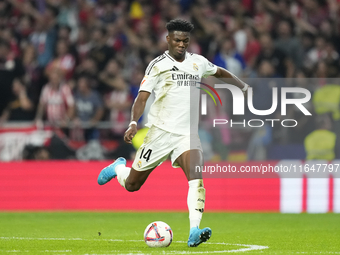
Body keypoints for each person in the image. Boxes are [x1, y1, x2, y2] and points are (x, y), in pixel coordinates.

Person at [97, 19, 249, 247]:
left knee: (196, 179)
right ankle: (118, 167)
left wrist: (242, 86)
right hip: (160, 134)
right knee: (132, 185)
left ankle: (194, 230)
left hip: (187, 135)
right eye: (177, 40)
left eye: (185, 41)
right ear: (168, 39)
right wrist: (132, 122)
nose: (181, 44)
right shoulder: (157, 65)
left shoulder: (198, 62)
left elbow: (219, 72)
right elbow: (142, 97)